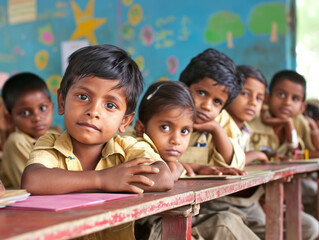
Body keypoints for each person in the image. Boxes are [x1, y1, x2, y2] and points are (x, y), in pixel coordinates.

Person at [21, 44, 174, 240]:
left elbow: (163, 177)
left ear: (125, 120)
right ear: (61, 102)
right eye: (83, 96)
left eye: (110, 105)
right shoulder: (50, 143)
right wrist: (102, 180)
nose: (93, 111)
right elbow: (33, 180)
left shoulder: (128, 147)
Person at [133, 80, 245, 240]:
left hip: (166, 221)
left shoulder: (163, 154)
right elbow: (163, 174)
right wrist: (175, 167)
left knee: (226, 221)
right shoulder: (136, 146)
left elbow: (171, 166)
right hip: (147, 229)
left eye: (185, 131)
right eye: (165, 127)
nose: (176, 140)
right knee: (224, 225)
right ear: (141, 128)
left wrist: (196, 167)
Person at [178, 48, 260, 240]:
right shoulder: (167, 111)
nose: (207, 105)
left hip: (201, 205)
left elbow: (234, 164)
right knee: (227, 224)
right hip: (164, 210)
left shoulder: (221, 121)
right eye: (201, 92)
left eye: (217, 101)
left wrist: (215, 129)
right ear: (184, 86)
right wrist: (190, 167)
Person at [248, 69, 319, 239]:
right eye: (281, 95)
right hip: (254, 195)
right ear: (267, 97)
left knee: (311, 227)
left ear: (302, 107)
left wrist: (291, 125)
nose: (287, 103)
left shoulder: (298, 121)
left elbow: (309, 151)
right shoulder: (252, 119)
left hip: (282, 193)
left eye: (295, 99)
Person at [0, 72, 55, 188]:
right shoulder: (16, 142)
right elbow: (35, 186)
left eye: (42, 108)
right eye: (25, 113)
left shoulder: (54, 136)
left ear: (52, 107)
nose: (37, 117)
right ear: (10, 119)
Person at [226, 65, 269, 165]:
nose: (253, 102)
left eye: (259, 98)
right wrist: (255, 155)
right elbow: (228, 162)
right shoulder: (222, 124)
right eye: (245, 93)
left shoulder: (246, 129)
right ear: (229, 92)